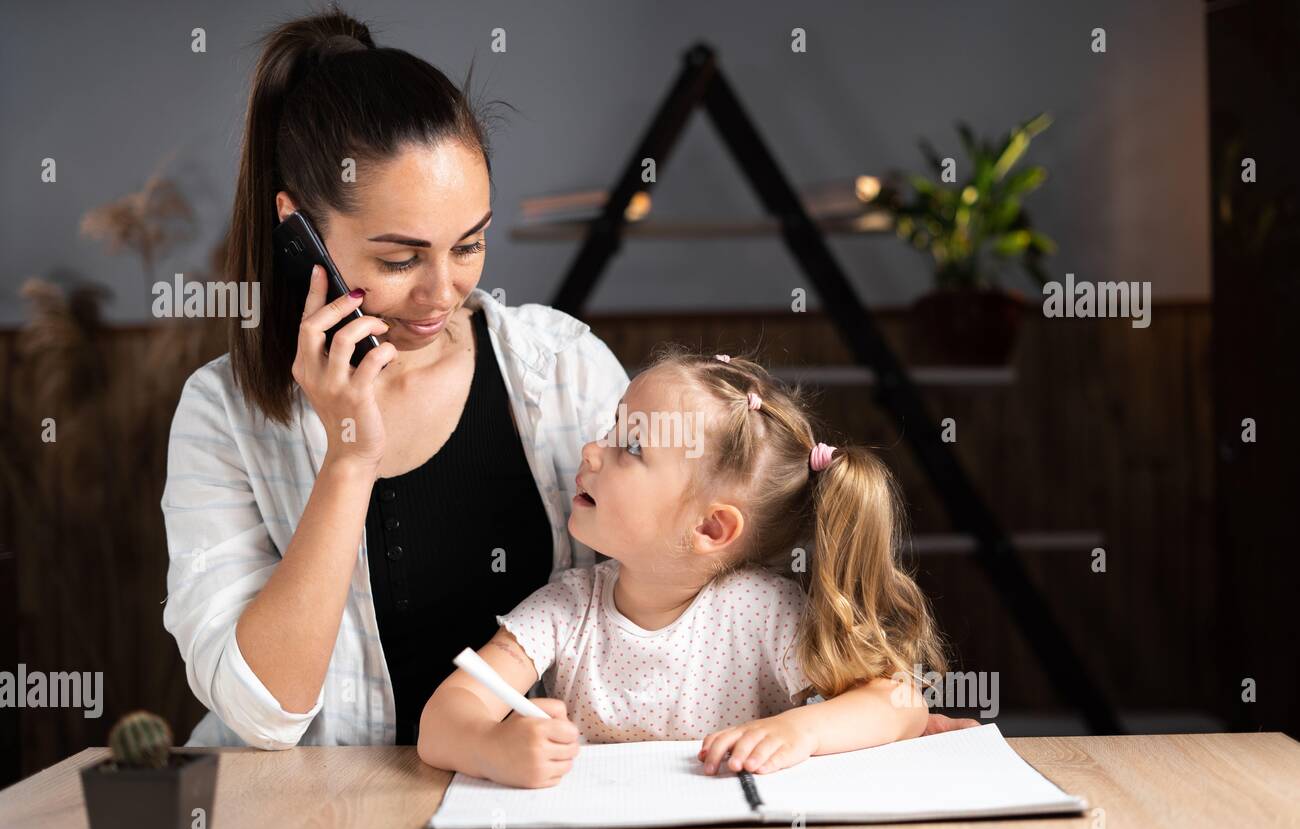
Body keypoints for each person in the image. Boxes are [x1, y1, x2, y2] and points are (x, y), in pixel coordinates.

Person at [160, 9, 628, 748]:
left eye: (469, 244)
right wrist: (349, 457)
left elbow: (676, 593)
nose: (442, 292)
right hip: (314, 826)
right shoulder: (223, 414)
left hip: (522, 805)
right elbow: (262, 714)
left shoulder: (564, 368)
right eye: (400, 260)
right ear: (298, 232)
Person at [418, 349, 976, 788]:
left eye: (630, 446)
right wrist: (493, 749)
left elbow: (900, 703)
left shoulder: (761, 613)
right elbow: (443, 720)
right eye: (613, 428)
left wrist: (798, 730)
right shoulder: (565, 609)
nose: (591, 451)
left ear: (711, 529)